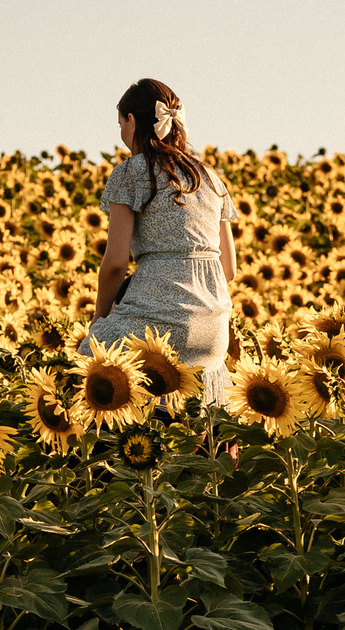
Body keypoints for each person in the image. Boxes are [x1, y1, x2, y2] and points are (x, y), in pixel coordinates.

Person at [89, 78, 240, 403]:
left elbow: (115, 264)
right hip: (213, 331)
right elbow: (229, 270)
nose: (121, 133)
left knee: (90, 369)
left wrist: (99, 319)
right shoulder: (211, 178)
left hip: (158, 323)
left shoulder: (130, 173)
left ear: (132, 121)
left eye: (120, 124)